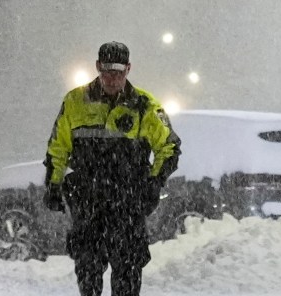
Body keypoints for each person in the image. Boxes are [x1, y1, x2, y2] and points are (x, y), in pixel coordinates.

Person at [44, 43, 181, 296]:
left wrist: (153, 183)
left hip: (127, 205)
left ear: (128, 69)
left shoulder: (145, 106)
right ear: (97, 67)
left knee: (127, 278)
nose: (112, 78)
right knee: (88, 274)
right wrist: (53, 183)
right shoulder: (75, 102)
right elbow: (58, 147)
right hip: (88, 204)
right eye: (107, 71)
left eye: (118, 72)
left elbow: (170, 147)